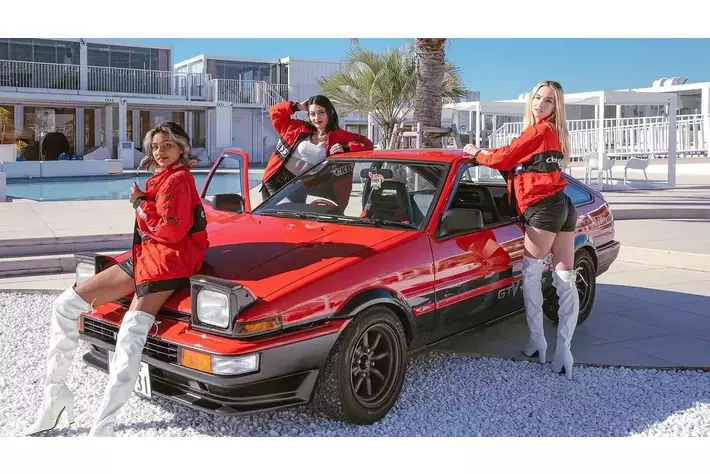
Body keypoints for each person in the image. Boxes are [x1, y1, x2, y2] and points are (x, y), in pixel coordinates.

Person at [25, 121, 209, 436]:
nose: (159, 151)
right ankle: (55, 396)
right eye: (155, 146)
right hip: (146, 257)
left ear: (181, 148)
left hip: (168, 262)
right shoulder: (164, 177)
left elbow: (170, 230)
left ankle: (103, 428)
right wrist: (144, 200)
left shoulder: (178, 179)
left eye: (167, 145)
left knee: (129, 336)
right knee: (66, 306)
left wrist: (139, 204)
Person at [462, 80, 578, 379]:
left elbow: (504, 157)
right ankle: (564, 351)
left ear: (556, 106)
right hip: (562, 206)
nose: (540, 104)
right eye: (538, 98)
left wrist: (476, 152)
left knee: (532, 274)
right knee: (565, 279)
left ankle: (538, 342)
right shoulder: (555, 132)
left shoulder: (538, 130)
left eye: (548, 100)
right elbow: (517, 157)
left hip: (543, 209)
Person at [261, 95, 374, 210]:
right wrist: (298, 106)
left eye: (321, 112)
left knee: (292, 218)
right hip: (276, 181)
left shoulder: (339, 136)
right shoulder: (297, 127)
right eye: (312, 114)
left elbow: (367, 144)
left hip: (300, 186)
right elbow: (275, 112)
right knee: (279, 216)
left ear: (330, 112)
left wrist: (346, 148)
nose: (316, 118)